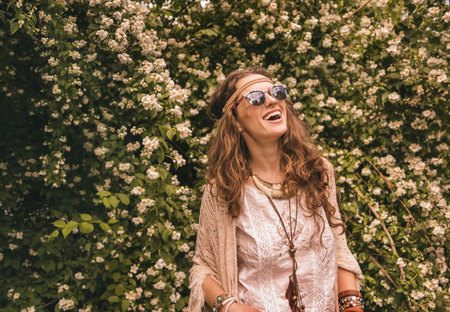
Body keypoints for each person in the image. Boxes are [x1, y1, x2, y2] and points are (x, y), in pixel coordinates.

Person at [188, 67, 364, 312]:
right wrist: (229, 307)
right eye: (257, 98)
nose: (272, 100)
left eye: (277, 92)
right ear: (236, 121)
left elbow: (339, 245)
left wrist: (351, 305)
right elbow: (202, 268)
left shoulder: (318, 171)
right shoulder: (223, 189)